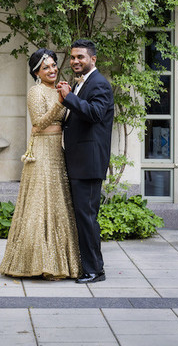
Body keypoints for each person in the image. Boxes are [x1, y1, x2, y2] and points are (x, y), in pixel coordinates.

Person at [0, 48, 81, 280]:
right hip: (42, 150)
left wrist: (66, 97)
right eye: (46, 67)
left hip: (57, 150)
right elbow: (39, 122)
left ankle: (61, 262)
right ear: (37, 72)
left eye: (53, 65)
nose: (52, 69)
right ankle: (34, 262)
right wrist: (61, 102)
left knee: (58, 203)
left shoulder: (58, 89)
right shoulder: (36, 92)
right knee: (40, 203)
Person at [57, 39, 114, 284]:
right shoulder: (82, 83)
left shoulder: (100, 84)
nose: (75, 61)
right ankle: (87, 266)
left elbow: (93, 114)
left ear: (93, 59)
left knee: (87, 217)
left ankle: (95, 271)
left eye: (80, 57)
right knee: (82, 216)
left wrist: (69, 97)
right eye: (73, 57)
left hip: (89, 164)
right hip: (79, 161)